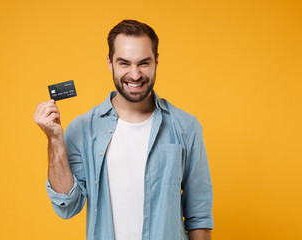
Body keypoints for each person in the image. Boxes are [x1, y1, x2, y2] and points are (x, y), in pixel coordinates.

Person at [34, 19, 213, 240]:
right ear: (110, 63)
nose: (135, 74)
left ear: (157, 61)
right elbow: (66, 206)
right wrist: (54, 139)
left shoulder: (185, 126)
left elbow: (199, 217)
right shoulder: (83, 129)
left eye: (144, 63)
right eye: (124, 63)